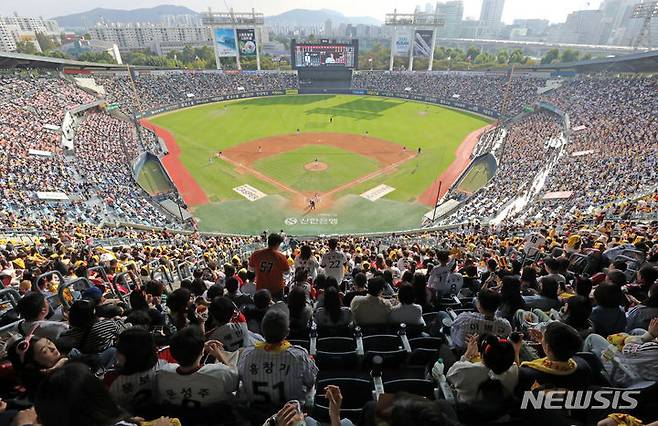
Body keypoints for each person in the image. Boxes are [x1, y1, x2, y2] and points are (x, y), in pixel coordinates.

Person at [238, 309, 318, 406]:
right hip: (291, 416)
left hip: (255, 416)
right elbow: (311, 381)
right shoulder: (299, 356)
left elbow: (241, 378)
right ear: (287, 332)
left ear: (262, 331)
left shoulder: (247, 355)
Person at [157, 327, 238, 407]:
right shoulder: (219, 372)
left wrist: (200, 347)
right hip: (215, 417)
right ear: (202, 352)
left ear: (173, 354)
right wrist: (220, 356)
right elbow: (234, 381)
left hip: (179, 417)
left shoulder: (163, 373)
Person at [516, 322, 592, 392]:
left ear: (548, 347)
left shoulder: (526, 374)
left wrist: (515, 350)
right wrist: (544, 341)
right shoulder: (584, 366)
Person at [104, 328, 166, 412]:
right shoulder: (163, 366)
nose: (116, 352)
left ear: (125, 355)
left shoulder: (112, 378)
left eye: (118, 349)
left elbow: (107, 407)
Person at [446, 334, 520, 403]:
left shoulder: (464, 370)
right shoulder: (515, 371)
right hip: (499, 415)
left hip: (466, 414)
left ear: (482, 355)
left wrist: (467, 354)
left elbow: (449, 376)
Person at [249, 233, 290, 300]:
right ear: (277, 244)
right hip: (276, 289)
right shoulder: (281, 257)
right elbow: (287, 273)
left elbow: (251, 269)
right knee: (277, 308)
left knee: (262, 308)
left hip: (260, 288)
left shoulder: (256, 254)